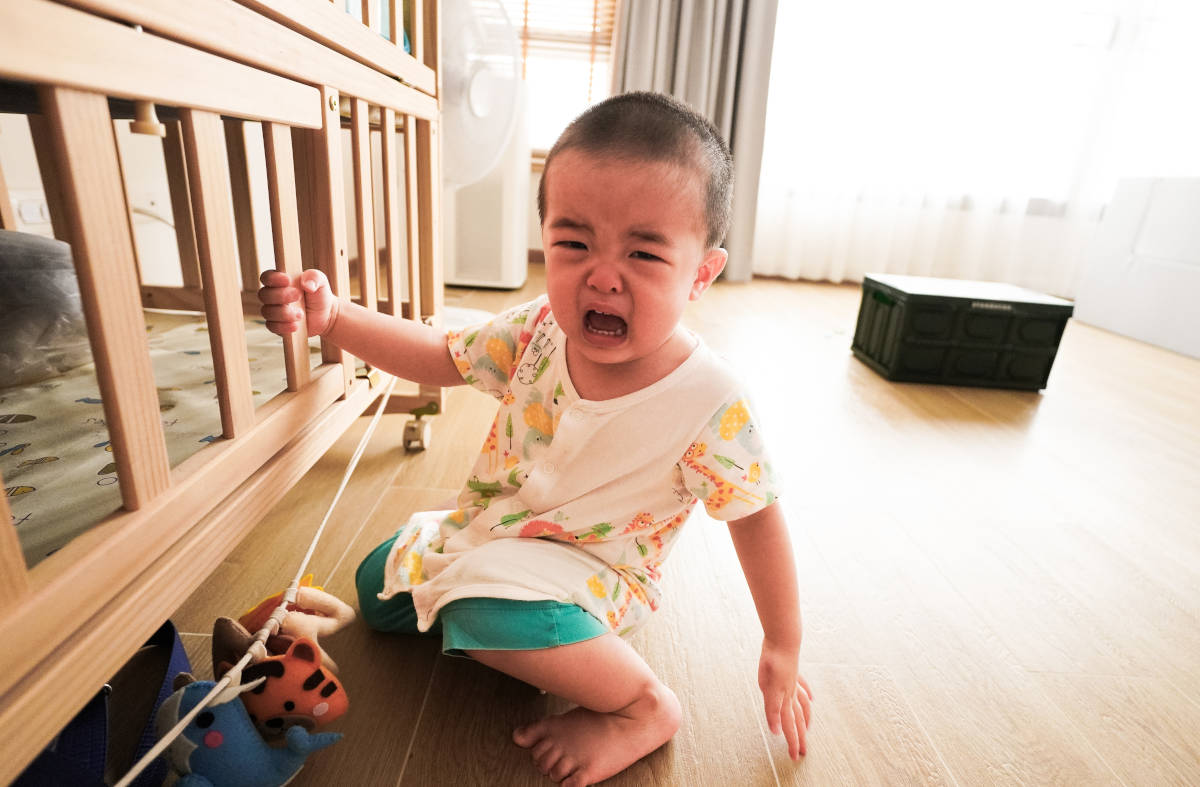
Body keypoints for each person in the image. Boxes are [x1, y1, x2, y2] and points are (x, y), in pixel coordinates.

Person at [258, 91, 812, 787]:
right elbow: (437, 353)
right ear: (543, 238)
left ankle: (642, 707)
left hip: (593, 574)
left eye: (643, 253)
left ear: (701, 272)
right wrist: (334, 317)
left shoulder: (710, 400)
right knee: (376, 585)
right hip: (494, 531)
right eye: (573, 243)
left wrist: (783, 640)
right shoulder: (537, 330)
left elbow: (757, 517)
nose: (602, 275)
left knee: (482, 606)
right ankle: (489, 613)